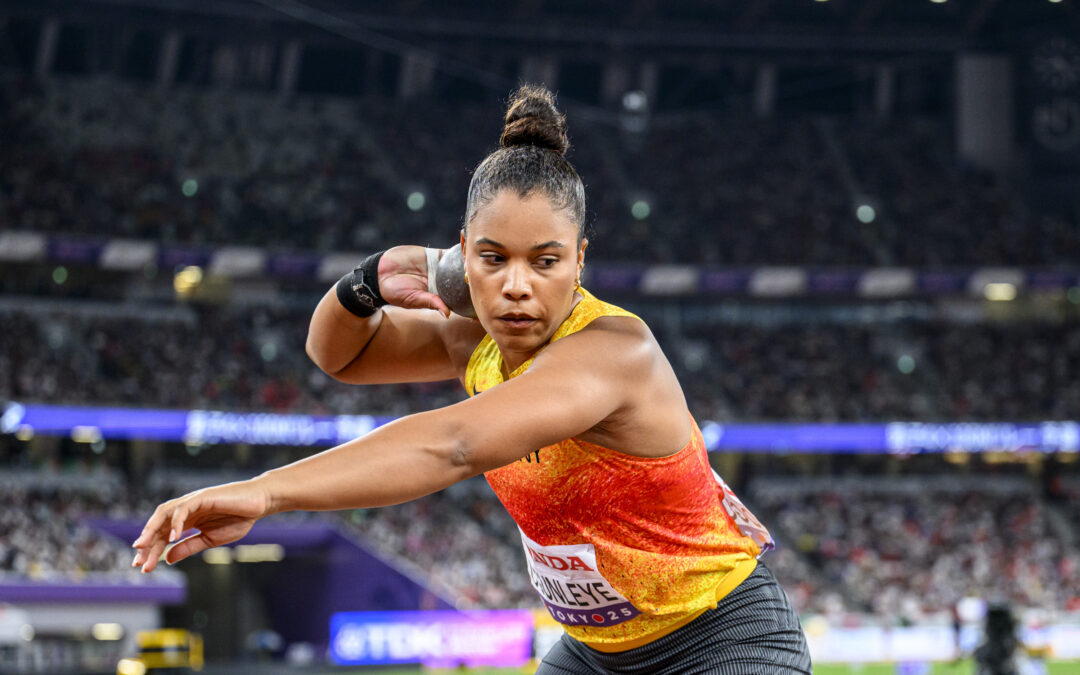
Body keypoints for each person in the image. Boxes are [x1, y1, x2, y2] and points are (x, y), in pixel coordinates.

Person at [132, 85, 812, 674]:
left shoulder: (614, 350)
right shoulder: (474, 338)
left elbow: (453, 442)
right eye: (494, 258)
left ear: (578, 259)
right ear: (462, 254)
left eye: (545, 261)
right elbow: (339, 356)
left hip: (722, 636)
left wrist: (264, 491)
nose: (517, 286)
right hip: (595, 652)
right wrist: (366, 281)